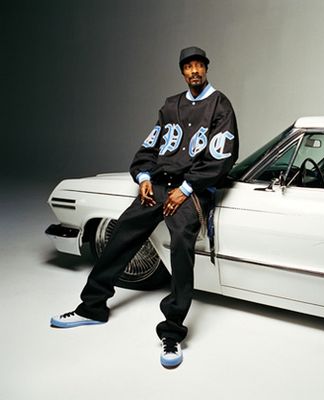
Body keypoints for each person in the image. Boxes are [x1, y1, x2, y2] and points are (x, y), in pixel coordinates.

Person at [50, 46, 239, 369]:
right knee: (121, 234)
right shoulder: (170, 106)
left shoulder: (219, 105)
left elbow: (222, 158)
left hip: (191, 191)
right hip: (159, 186)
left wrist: (186, 189)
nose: (194, 71)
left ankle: (172, 332)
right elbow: (149, 148)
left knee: (181, 246)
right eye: (188, 67)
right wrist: (143, 177)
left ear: (206, 68)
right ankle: (92, 307)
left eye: (199, 65)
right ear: (182, 72)